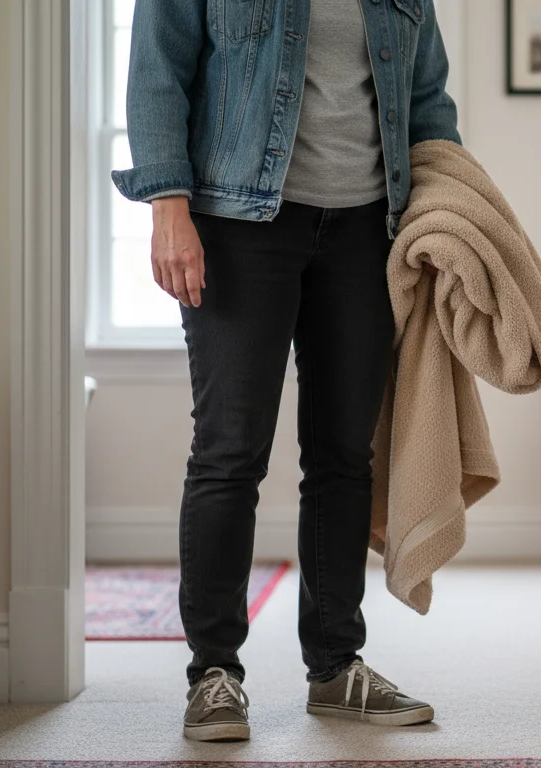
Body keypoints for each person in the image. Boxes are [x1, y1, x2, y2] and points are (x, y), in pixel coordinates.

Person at [112, 0, 460, 743]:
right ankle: (214, 674)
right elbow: (157, 76)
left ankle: (336, 665)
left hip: (369, 230)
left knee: (343, 456)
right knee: (230, 452)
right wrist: (166, 207)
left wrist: (445, 221)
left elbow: (428, 101)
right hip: (238, 224)